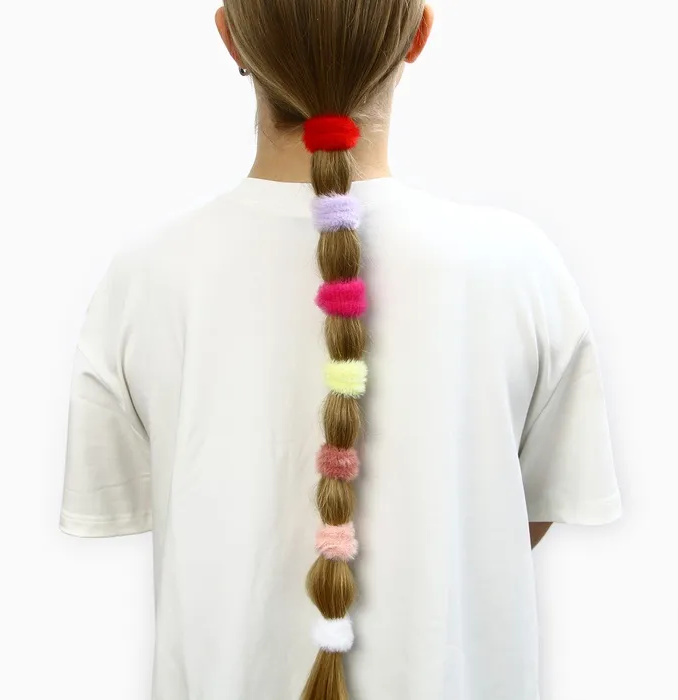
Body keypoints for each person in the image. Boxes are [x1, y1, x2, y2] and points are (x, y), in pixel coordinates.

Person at [59, 1, 622, 699]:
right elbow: (520, 515)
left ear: (231, 38)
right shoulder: (519, 268)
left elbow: (140, 502)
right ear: (417, 35)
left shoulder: (145, 277)